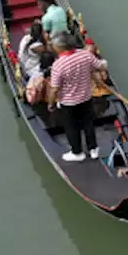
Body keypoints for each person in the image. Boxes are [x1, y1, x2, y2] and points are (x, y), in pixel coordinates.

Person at [49, 32, 107, 162]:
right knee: (88, 123)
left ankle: (77, 152)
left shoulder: (58, 65)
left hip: (69, 103)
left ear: (60, 47)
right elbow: (100, 66)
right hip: (86, 97)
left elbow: (54, 89)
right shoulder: (85, 55)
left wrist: (50, 103)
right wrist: (103, 64)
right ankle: (93, 150)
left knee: (72, 126)